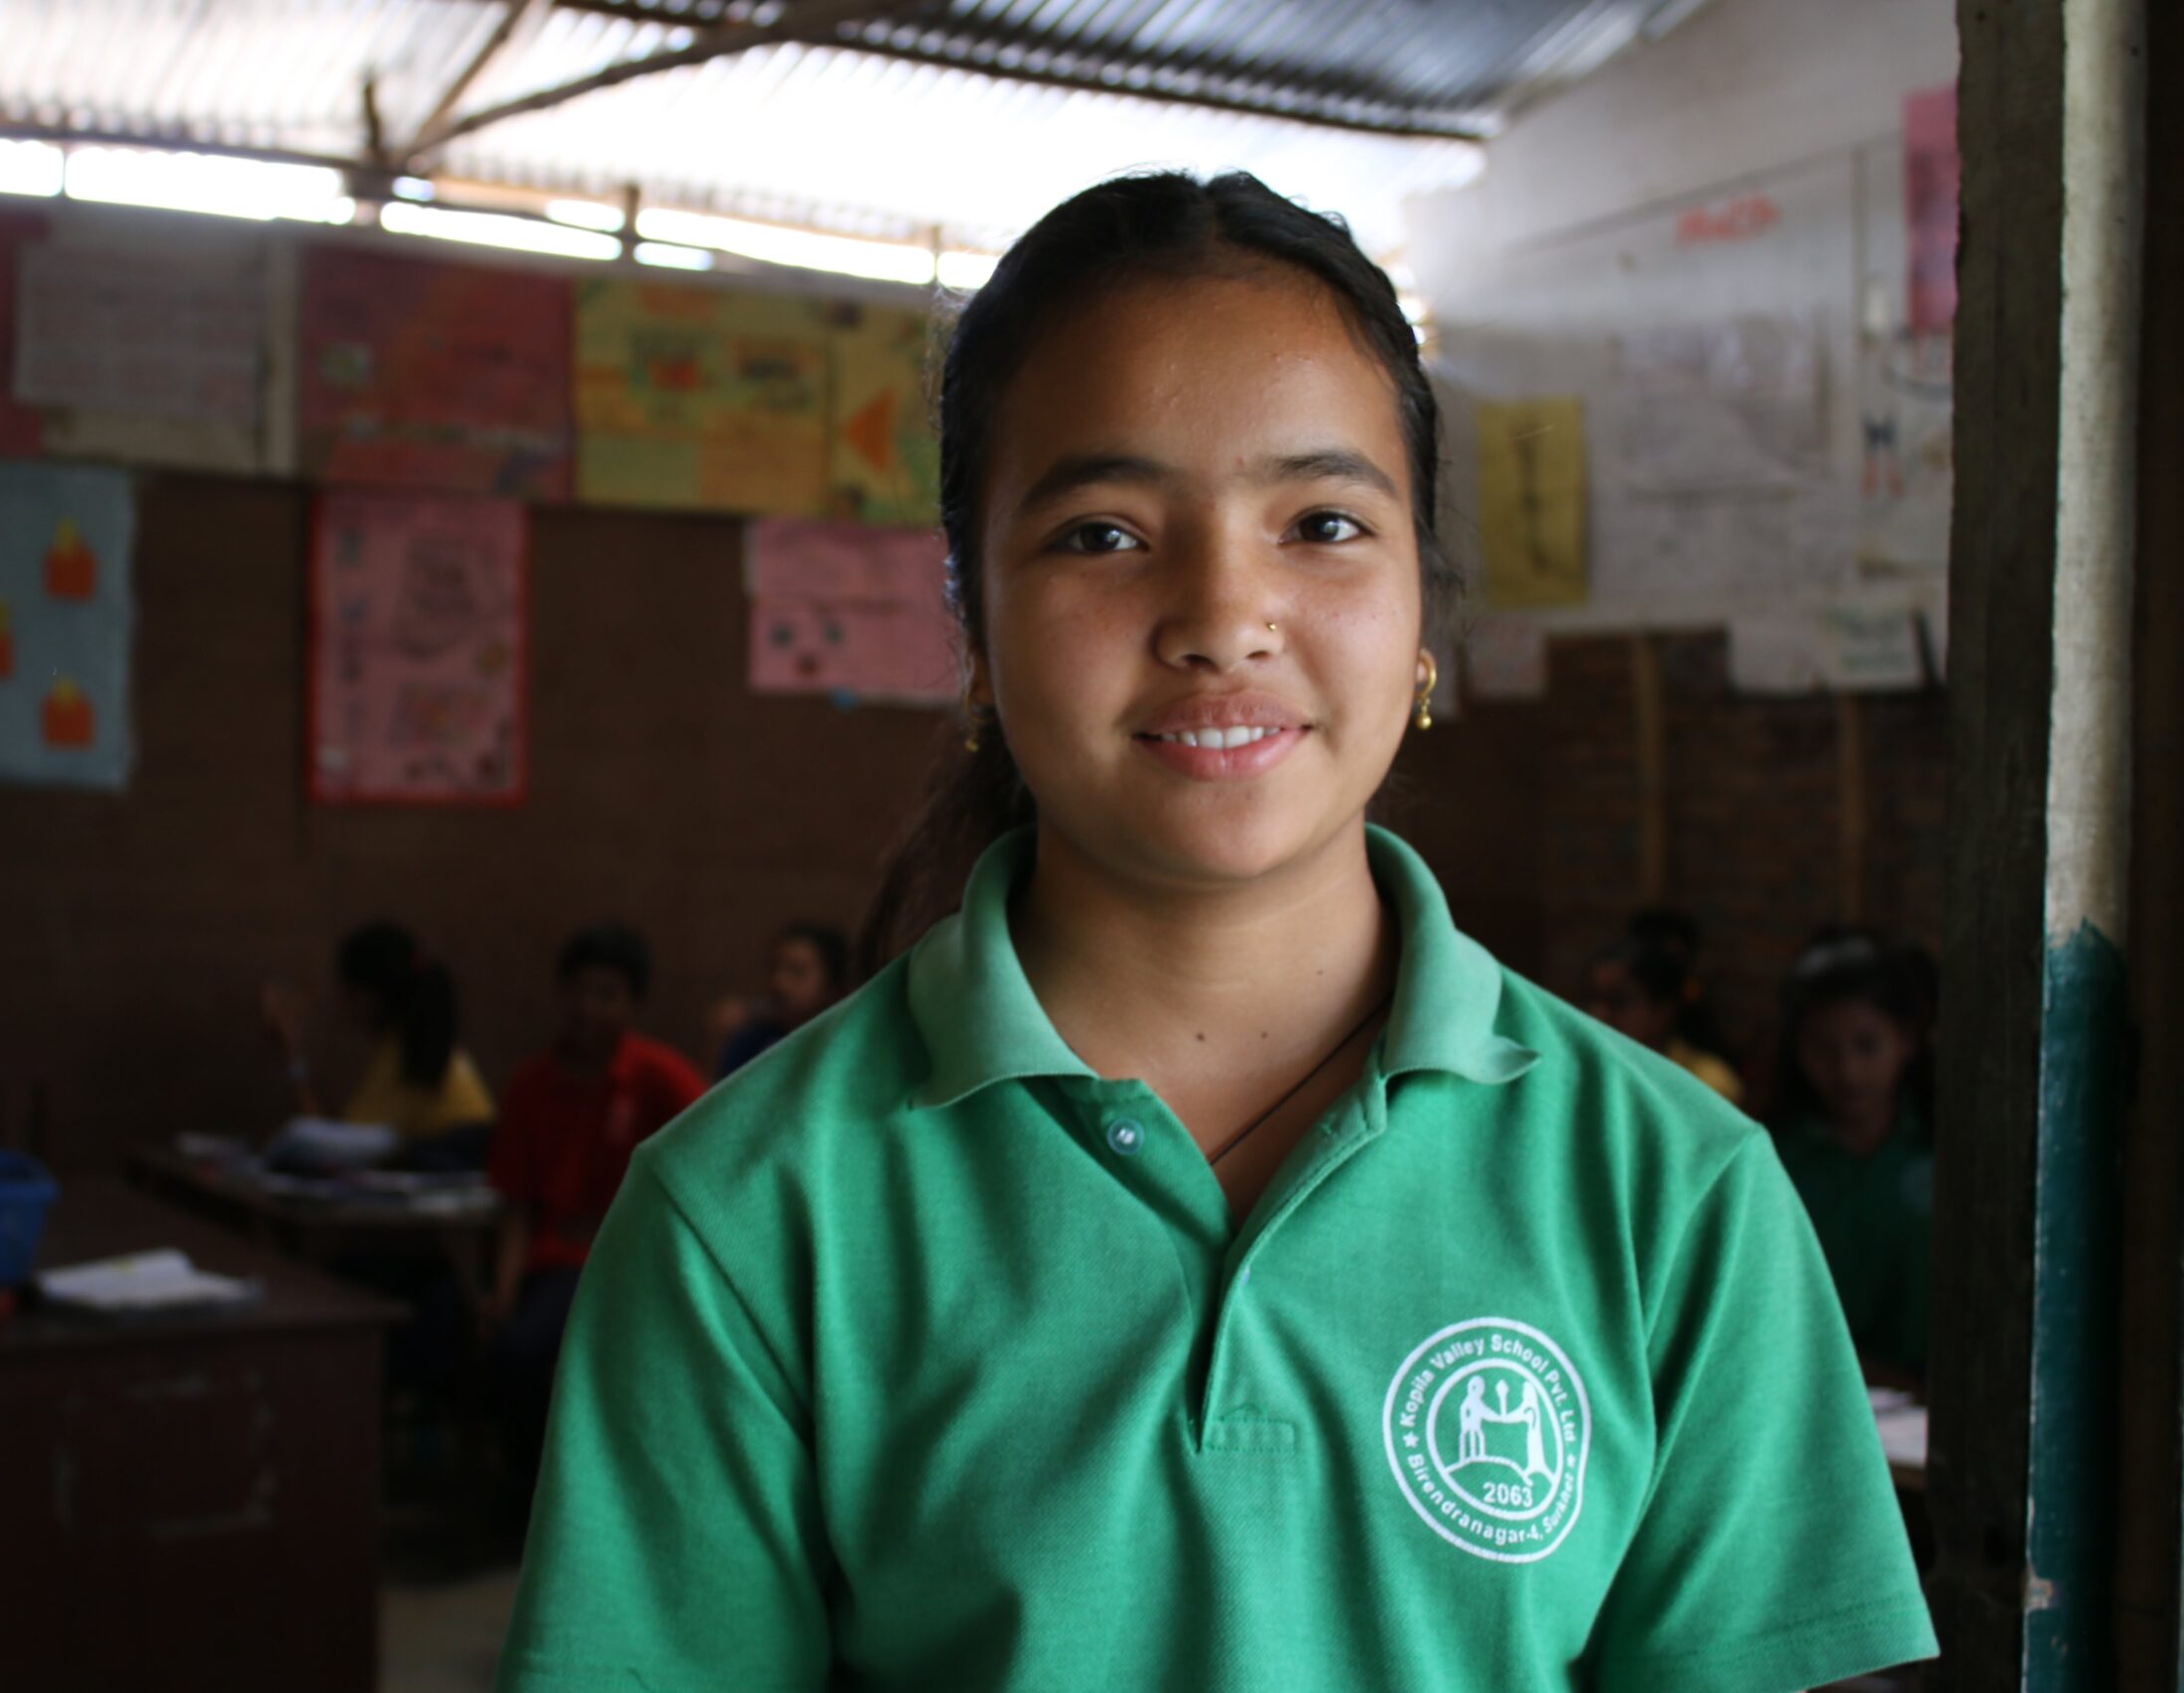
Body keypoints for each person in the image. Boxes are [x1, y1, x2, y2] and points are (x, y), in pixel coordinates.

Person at [495, 174, 1934, 1693]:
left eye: (1321, 522)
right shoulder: (751, 1214)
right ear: (974, 634)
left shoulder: (1671, 1190)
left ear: (1426, 619)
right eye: (1104, 532)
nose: (1224, 613)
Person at [482, 923, 706, 1497]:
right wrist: (503, 1291)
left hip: (629, 1262)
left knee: (540, 1353)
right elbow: (517, 1205)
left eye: (606, 994)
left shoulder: (658, 1076)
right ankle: (525, 1492)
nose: (587, 1008)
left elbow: (713, 1159)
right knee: (506, 1345)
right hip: (556, 1261)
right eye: (578, 990)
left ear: (633, 1003)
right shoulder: (532, 1083)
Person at [1768, 927, 1938, 1389]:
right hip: (1810, 1391)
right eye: (1823, 1049)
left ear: (1907, 1040)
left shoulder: (1945, 1154)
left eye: (1867, 1045)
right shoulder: (1772, 1161)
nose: (1847, 1071)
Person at [263, 921, 494, 1155]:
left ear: (366, 996)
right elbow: (347, 1132)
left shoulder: (416, 1055)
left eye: (345, 992)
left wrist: (293, 1056)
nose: (340, 1004)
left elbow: (332, 1148)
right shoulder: (409, 1046)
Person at [1581, 907, 1744, 1105]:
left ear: (1664, 1010)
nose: (1599, 1014)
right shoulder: (1588, 1071)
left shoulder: (1706, 1082)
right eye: (1593, 999)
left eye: (1618, 1001)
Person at [709, 920, 852, 1077]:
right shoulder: (751, 1040)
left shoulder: (842, 1046)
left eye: (796, 972)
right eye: (774, 968)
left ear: (832, 987)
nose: (778, 983)